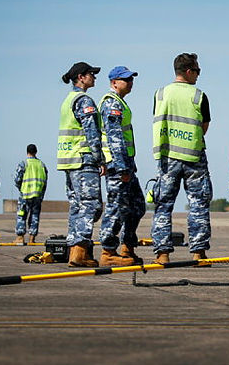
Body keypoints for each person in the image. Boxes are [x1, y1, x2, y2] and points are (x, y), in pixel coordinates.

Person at [151, 53, 212, 265]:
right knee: (198, 204)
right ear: (188, 71)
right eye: (197, 71)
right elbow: (204, 126)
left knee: (163, 206)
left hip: (167, 158)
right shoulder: (198, 95)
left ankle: (162, 254)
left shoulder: (160, 94)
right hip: (194, 156)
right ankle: (198, 253)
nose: (198, 75)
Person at [58, 62, 104, 267]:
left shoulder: (68, 100)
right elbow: (92, 133)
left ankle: (73, 250)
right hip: (84, 159)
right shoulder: (84, 100)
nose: (94, 77)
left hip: (69, 161)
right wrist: (100, 159)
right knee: (90, 205)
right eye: (91, 74)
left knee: (76, 206)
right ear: (81, 77)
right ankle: (80, 252)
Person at [99, 66, 145, 266]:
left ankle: (127, 246)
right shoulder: (111, 104)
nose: (130, 83)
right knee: (117, 207)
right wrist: (121, 167)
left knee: (137, 205)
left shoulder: (121, 103)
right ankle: (108, 251)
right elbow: (115, 137)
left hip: (126, 163)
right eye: (126, 79)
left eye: (131, 79)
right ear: (114, 82)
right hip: (118, 165)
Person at [12, 144, 48, 244]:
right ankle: (32, 238)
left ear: (27, 151)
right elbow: (45, 181)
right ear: (36, 152)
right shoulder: (41, 164)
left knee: (21, 215)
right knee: (35, 216)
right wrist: (41, 195)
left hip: (25, 194)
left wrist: (21, 188)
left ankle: (20, 238)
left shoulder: (23, 163)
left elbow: (17, 179)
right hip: (37, 195)